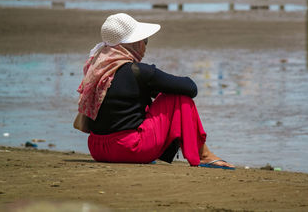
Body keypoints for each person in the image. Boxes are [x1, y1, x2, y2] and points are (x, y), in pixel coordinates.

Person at [77, 13, 235, 169]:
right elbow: (190, 87)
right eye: (144, 41)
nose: (145, 46)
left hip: (97, 149)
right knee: (180, 98)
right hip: (129, 149)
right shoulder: (139, 72)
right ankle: (204, 155)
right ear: (135, 44)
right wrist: (160, 88)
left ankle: (202, 155)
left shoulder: (97, 70)